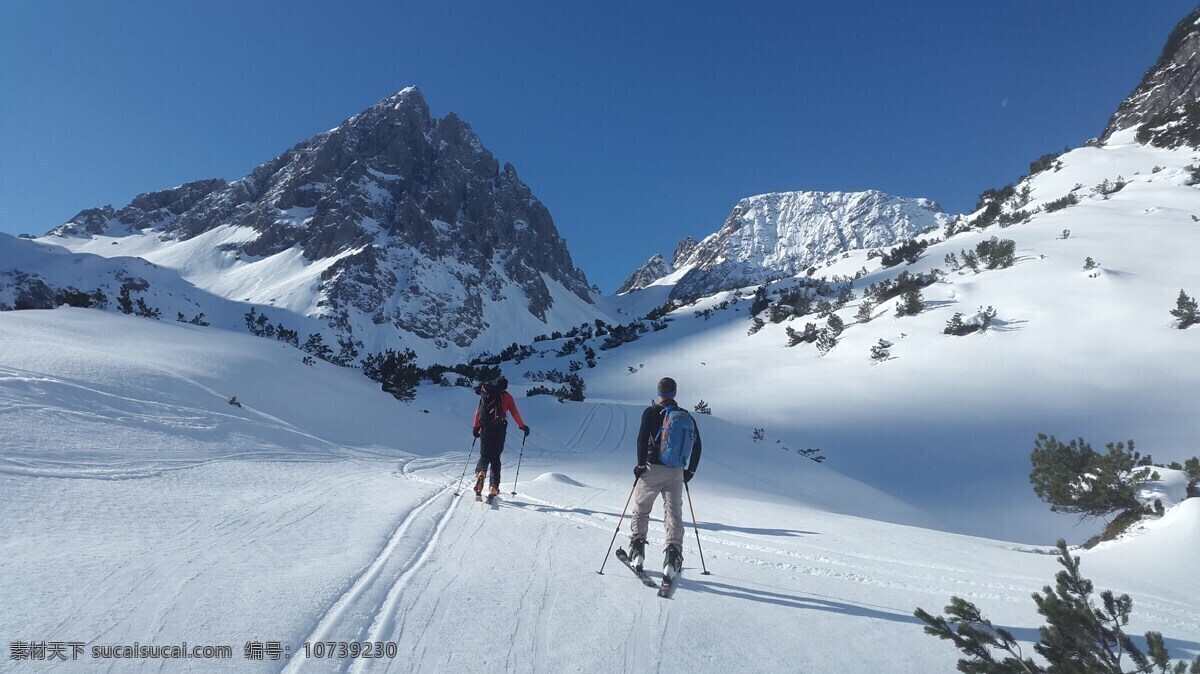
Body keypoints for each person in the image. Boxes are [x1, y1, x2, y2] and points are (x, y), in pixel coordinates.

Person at [628, 377, 701, 576]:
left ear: (659, 392)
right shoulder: (686, 416)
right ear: (675, 393)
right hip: (676, 472)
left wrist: (641, 464)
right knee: (673, 514)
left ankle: (637, 550)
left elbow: (641, 439)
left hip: (652, 470)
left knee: (642, 511)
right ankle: (673, 556)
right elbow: (697, 446)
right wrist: (690, 471)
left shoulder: (651, 412)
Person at [472, 376, 529, 498]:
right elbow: (514, 412)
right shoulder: (507, 397)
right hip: (499, 428)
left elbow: (477, 412)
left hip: (484, 428)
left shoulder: (486, 394)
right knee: (495, 457)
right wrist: (522, 426)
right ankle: (493, 487)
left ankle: (481, 472)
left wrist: (475, 427)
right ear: (505, 386)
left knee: (484, 455)